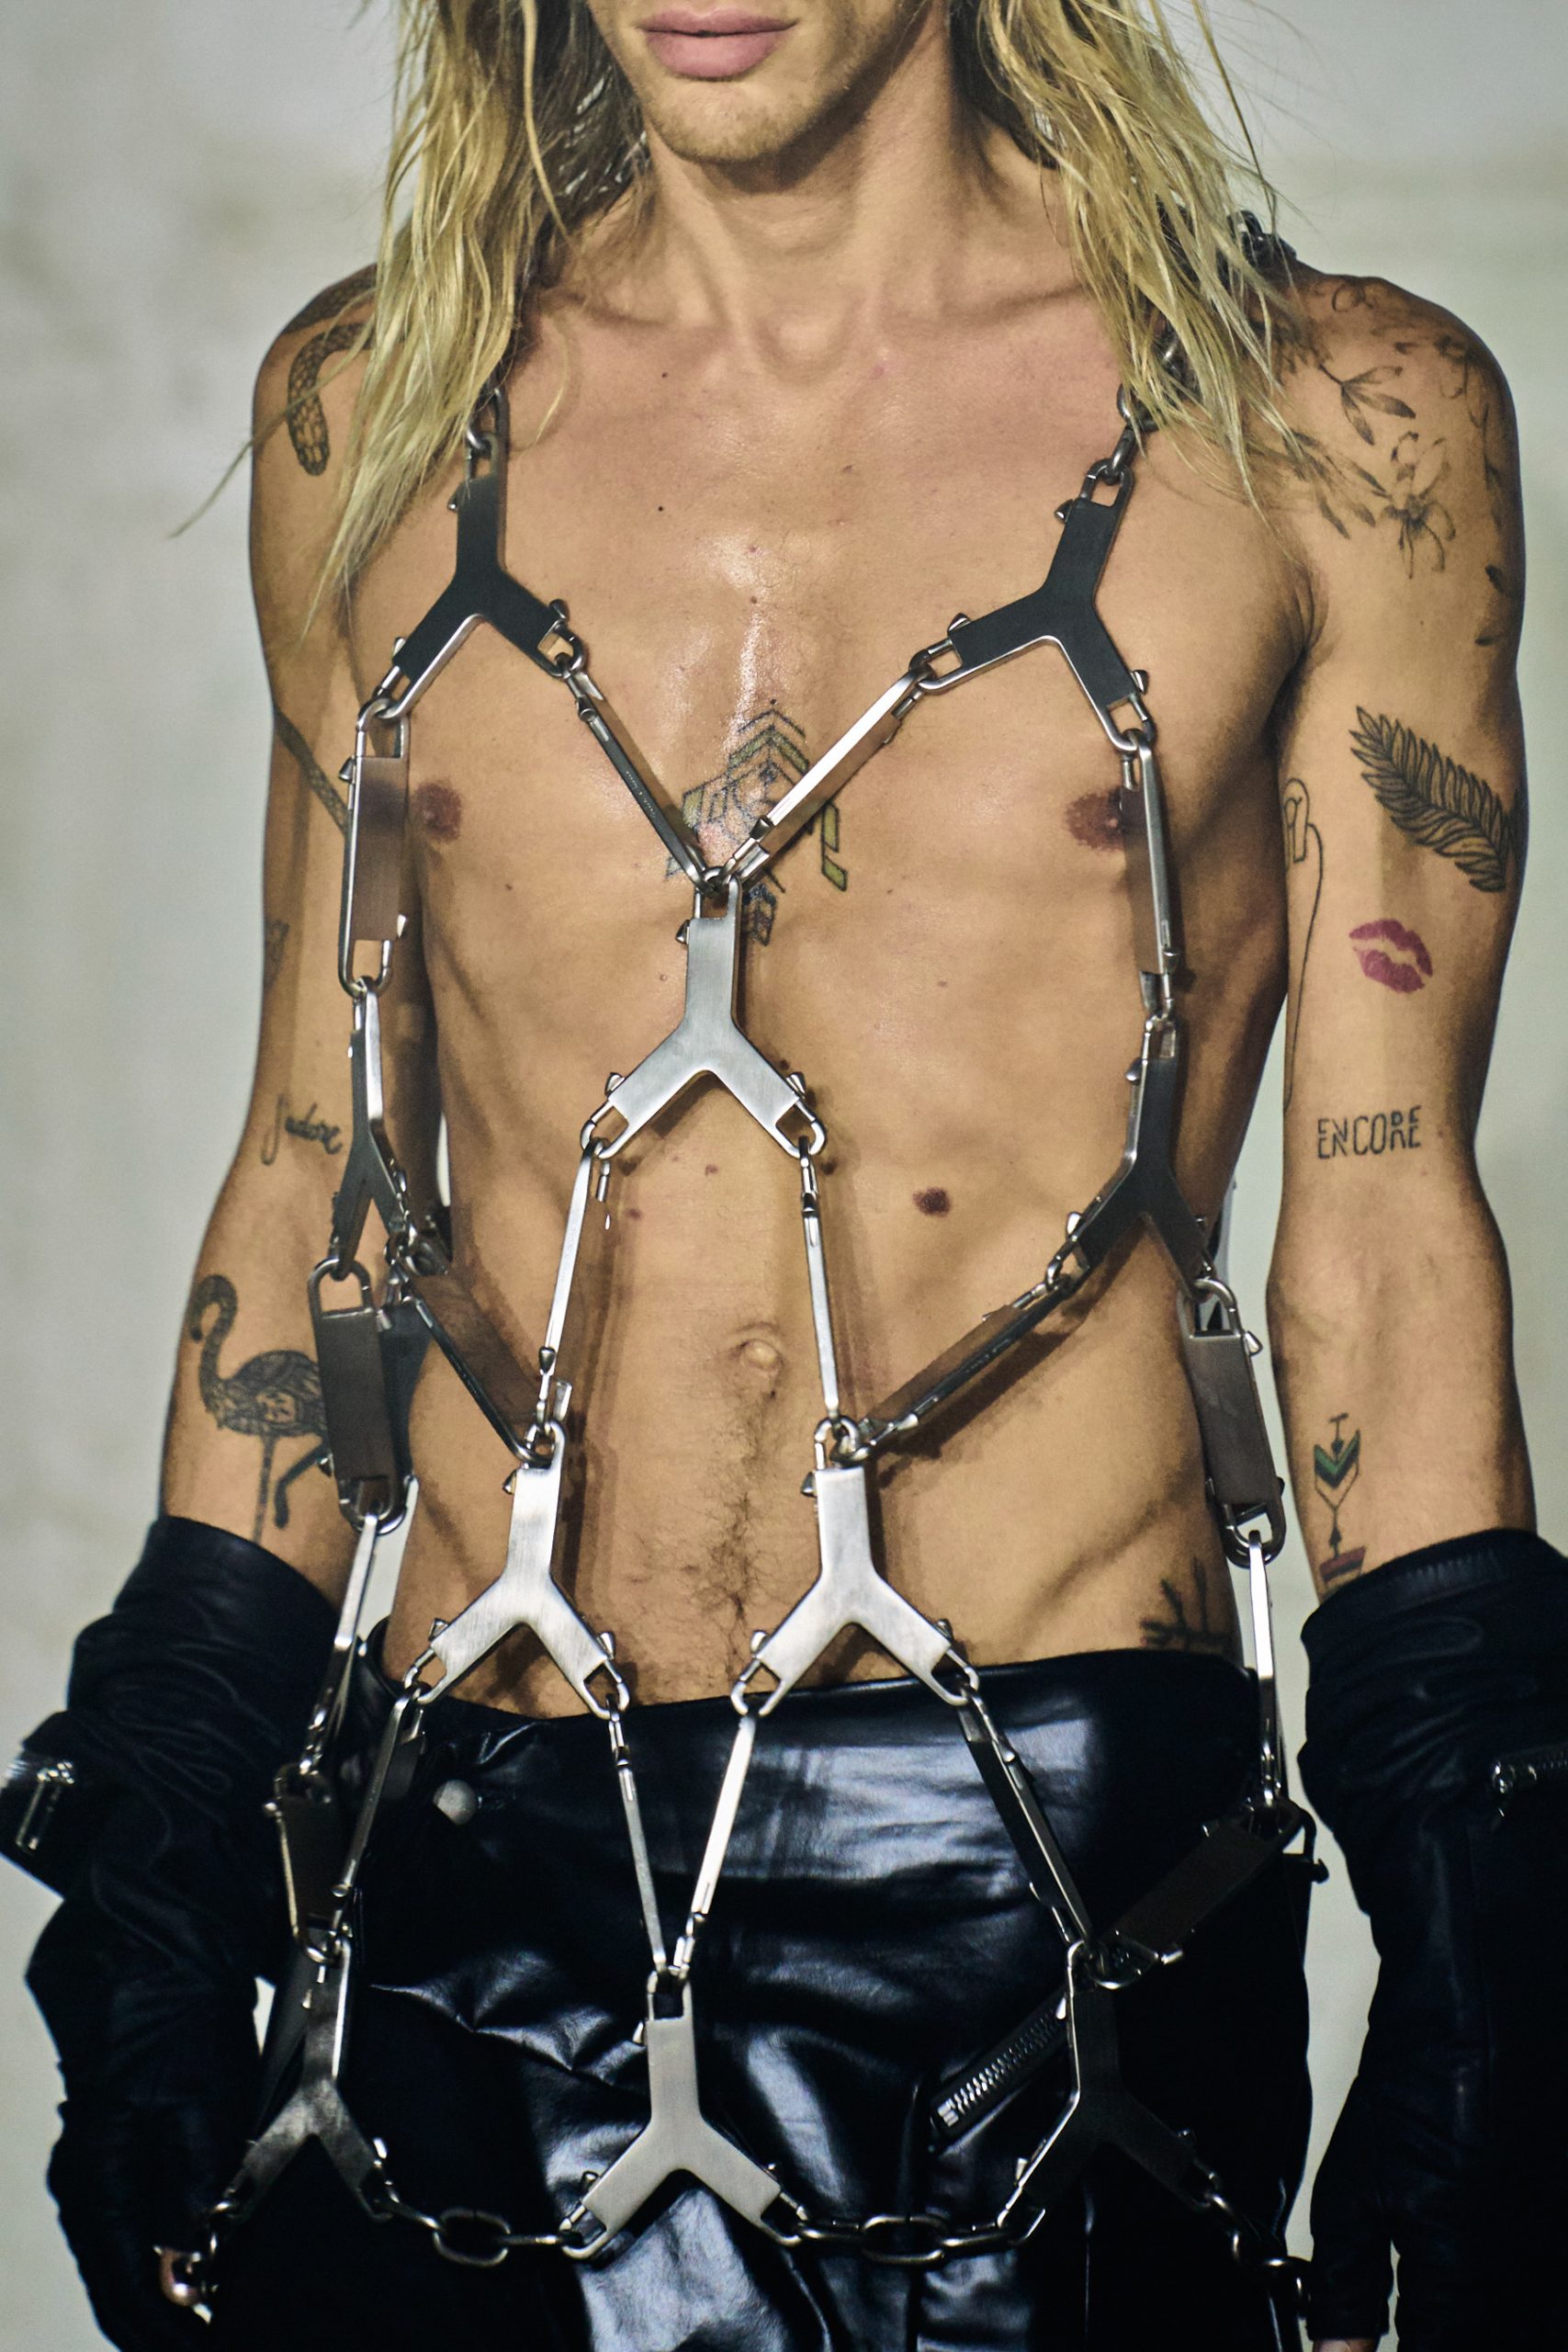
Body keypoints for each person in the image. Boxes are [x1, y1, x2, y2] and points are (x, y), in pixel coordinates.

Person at [8, 1, 1567, 2346]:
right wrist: (163, 1830)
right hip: (463, 1847)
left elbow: (1376, 1220)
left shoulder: (1325, 426)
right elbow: (320, 1159)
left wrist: (1482, 1934)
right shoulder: (379, 412)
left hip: (1046, 1892)